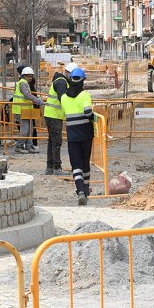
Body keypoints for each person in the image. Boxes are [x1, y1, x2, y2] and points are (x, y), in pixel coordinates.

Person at [61, 68, 95, 206]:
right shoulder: (85, 95)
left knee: (76, 165)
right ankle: (86, 191)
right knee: (85, 163)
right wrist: (94, 118)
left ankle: (80, 191)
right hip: (86, 134)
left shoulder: (63, 97)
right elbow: (87, 111)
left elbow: (65, 115)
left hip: (72, 135)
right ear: (82, 81)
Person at [43, 62, 78, 175]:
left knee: (52, 141)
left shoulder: (60, 80)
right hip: (54, 115)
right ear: (68, 73)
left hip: (52, 114)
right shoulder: (61, 82)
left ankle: (50, 167)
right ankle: (56, 168)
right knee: (56, 141)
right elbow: (62, 98)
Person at [12, 67, 45, 154]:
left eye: (31, 76)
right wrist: (38, 101)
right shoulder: (23, 83)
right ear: (24, 76)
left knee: (30, 129)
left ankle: (29, 146)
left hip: (26, 109)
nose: (30, 78)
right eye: (29, 76)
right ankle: (19, 146)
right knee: (25, 130)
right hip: (21, 110)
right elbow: (27, 95)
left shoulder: (24, 83)